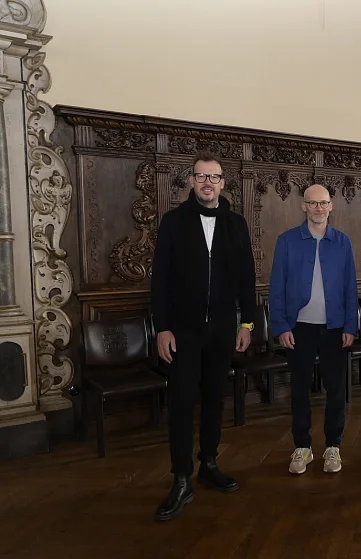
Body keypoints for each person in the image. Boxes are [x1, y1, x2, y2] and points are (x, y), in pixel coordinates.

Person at [151, 152, 256, 521]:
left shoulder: (236, 224)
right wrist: (162, 327)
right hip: (182, 331)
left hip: (223, 329)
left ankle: (208, 463)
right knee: (181, 403)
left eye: (214, 177)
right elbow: (159, 280)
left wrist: (247, 326)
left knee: (215, 398)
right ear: (192, 181)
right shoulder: (174, 222)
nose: (208, 182)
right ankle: (181, 478)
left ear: (223, 182)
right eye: (201, 176)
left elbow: (247, 279)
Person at [269, 184, 358, 475]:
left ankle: (333, 446)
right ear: (303, 206)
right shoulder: (287, 241)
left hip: (334, 328)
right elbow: (277, 288)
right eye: (313, 203)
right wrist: (281, 325)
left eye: (323, 203)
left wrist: (350, 325)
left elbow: (349, 288)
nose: (319, 208)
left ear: (331, 206)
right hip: (299, 328)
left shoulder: (342, 242)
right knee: (299, 390)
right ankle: (302, 447)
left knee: (335, 390)